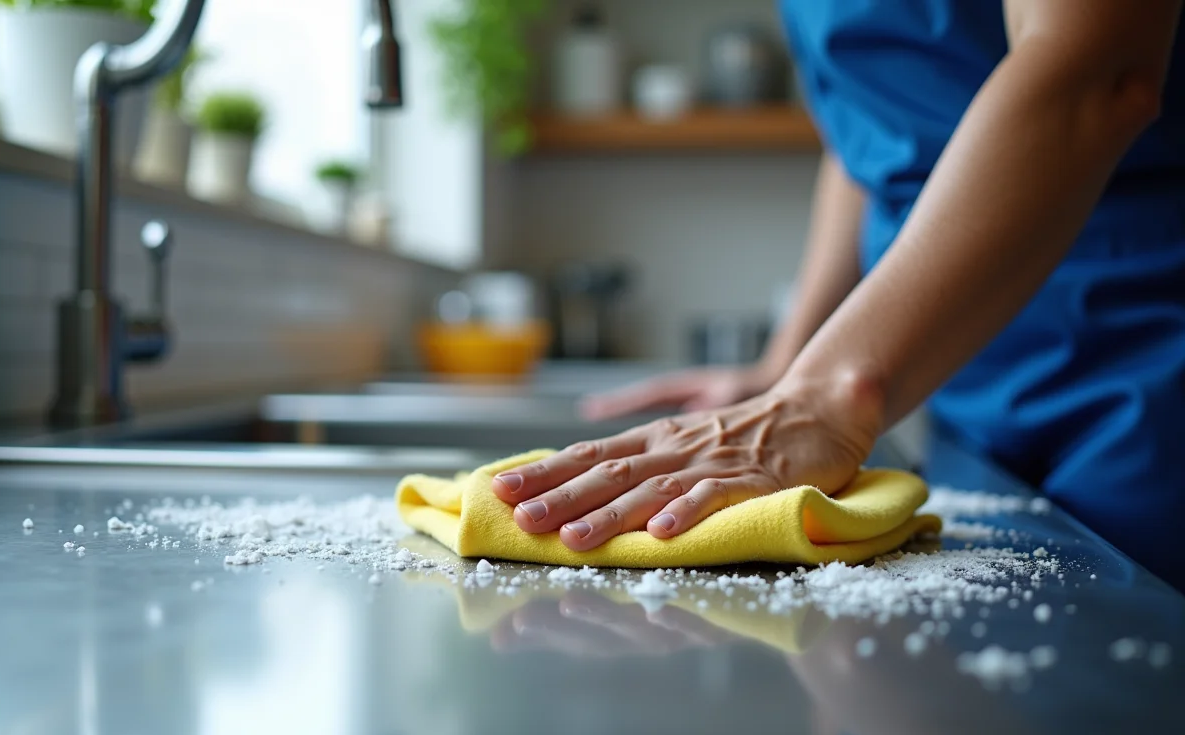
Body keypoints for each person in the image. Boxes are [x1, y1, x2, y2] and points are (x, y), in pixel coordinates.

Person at [491, 0, 1185, 591]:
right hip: (966, 388)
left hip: (1145, 357)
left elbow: (1097, 76)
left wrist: (827, 396)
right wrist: (787, 367)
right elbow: (867, 140)